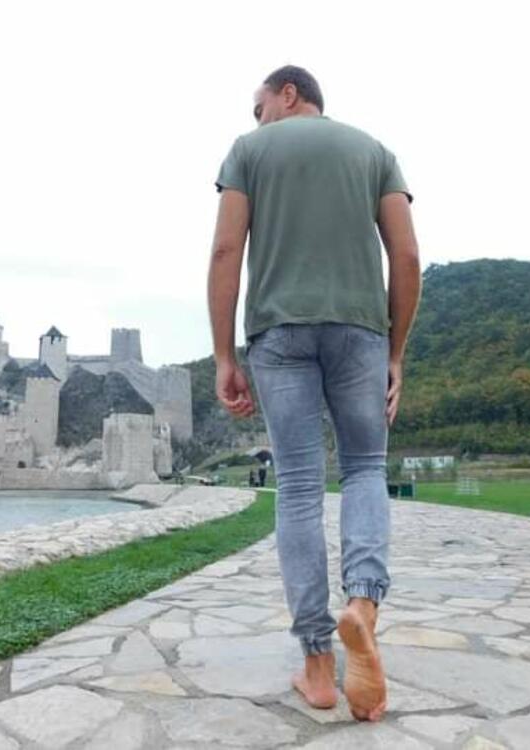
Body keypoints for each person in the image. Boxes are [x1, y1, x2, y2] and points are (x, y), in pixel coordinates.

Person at [206, 64, 421, 722]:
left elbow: (225, 252)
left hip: (279, 333)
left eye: (259, 105)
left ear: (289, 93)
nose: (256, 119)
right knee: (364, 468)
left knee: (299, 484)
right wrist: (395, 353)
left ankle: (319, 668)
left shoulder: (248, 152)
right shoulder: (374, 153)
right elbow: (407, 258)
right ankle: (363, 605)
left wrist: (223, 355)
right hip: (360, 331)